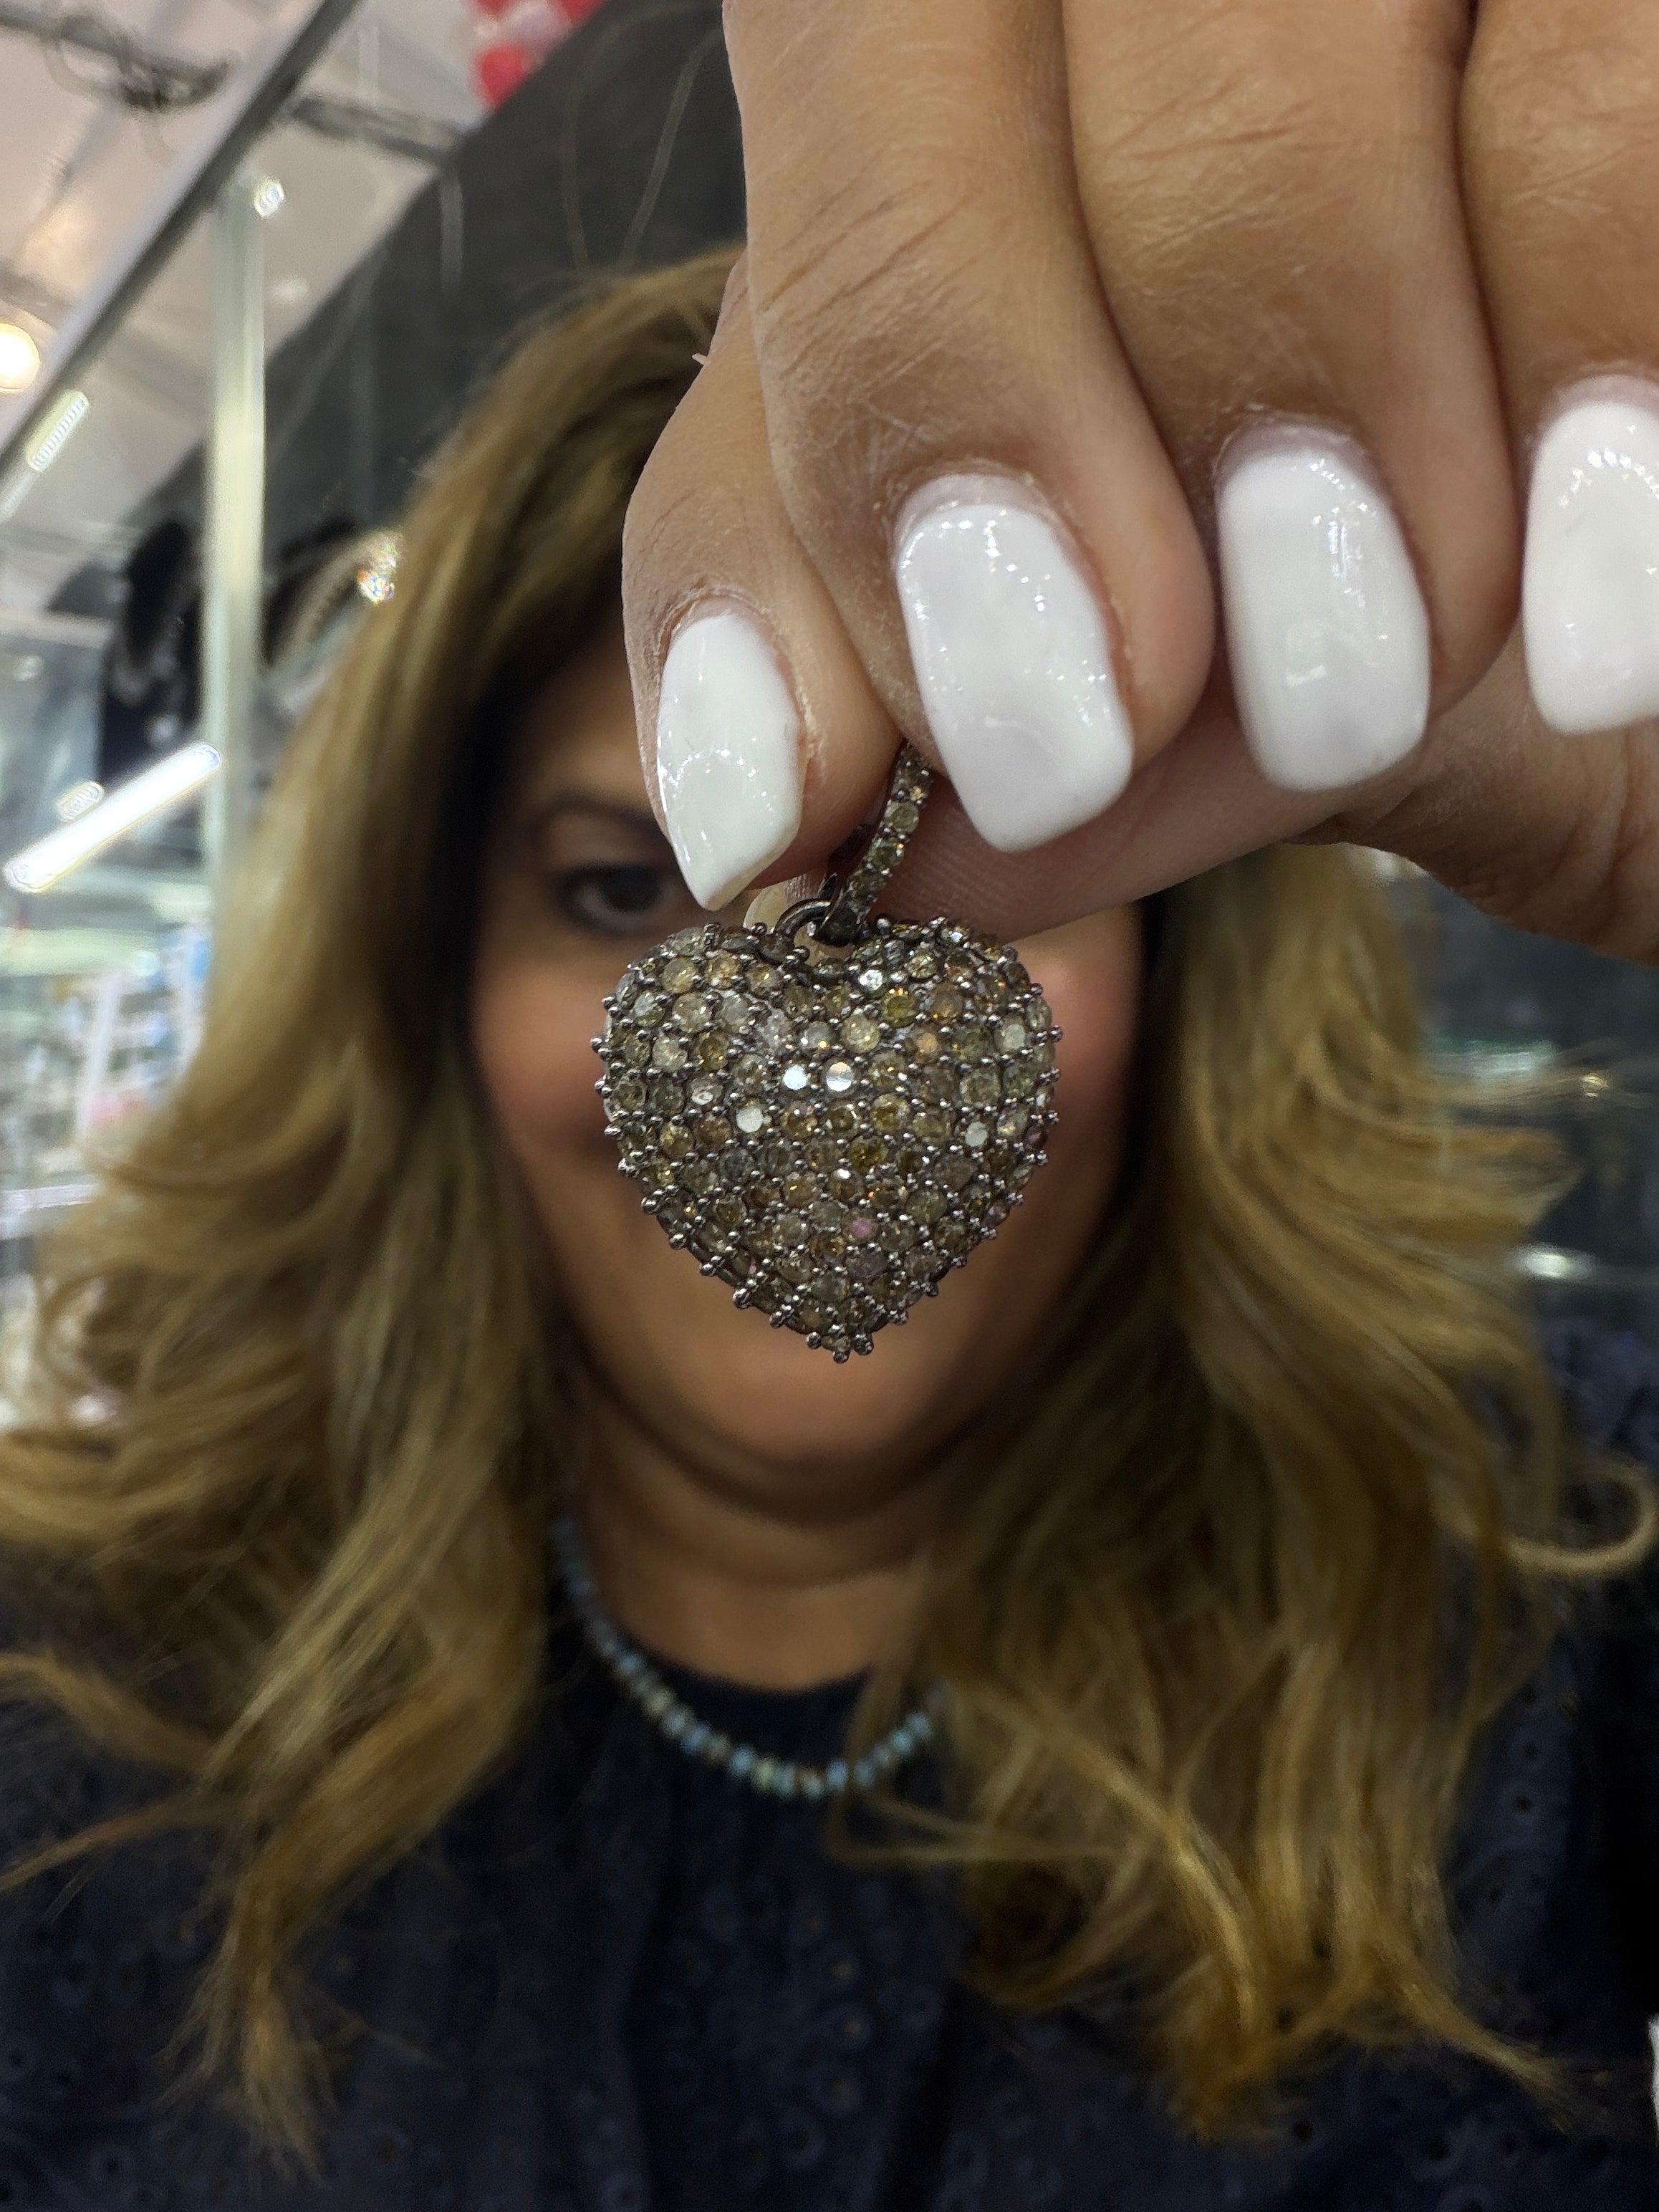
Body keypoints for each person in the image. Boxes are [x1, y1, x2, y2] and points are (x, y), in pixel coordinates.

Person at [0, 240, 1655, 2209]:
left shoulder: (1551, 1568)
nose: (808, 1076)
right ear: (428, 982)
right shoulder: (65, 1705)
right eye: (621, 891)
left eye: (964, 878)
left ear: (1181, 964)